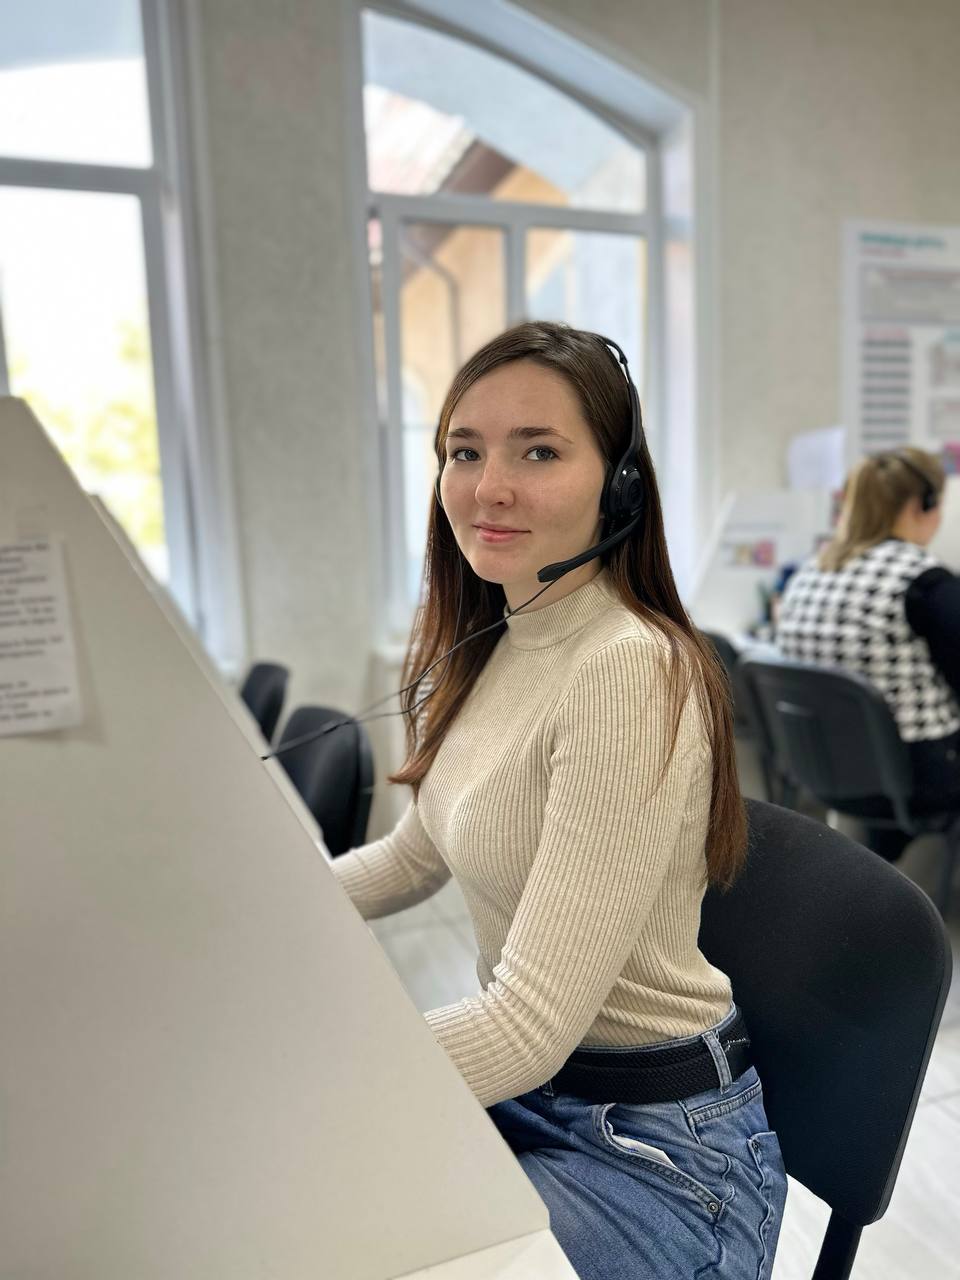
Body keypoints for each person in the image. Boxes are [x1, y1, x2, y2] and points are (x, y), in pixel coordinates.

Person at [333, 321, 786, 1279]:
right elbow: (413, 856)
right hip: (537, 1097)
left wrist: (308, 1074)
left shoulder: (628, 668)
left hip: (658, 1152)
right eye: (465, 452)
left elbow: (525, 1026)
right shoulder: (492, 642)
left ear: (619, 487)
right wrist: (254, 910)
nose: (488, 487)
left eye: (538, 452)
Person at [776, 447, 960, 859]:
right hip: (917, 776)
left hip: (826, 769)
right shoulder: (924, 582)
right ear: (921, 504)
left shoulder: (808, 573)